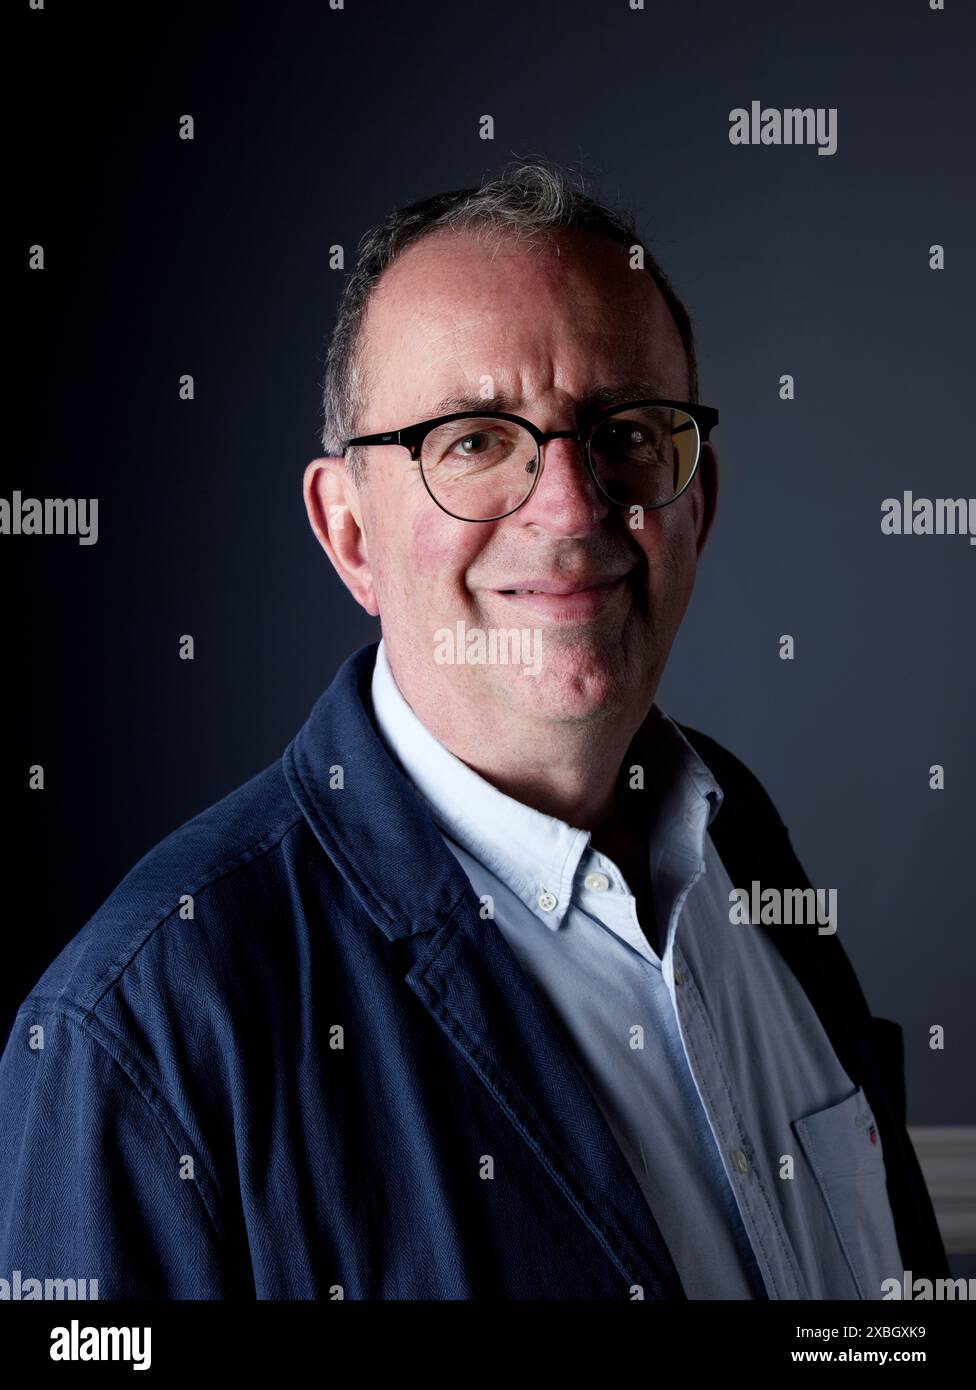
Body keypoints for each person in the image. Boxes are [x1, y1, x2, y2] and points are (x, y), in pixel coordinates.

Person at [0, 162, 948, 1300]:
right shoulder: (145, 1029)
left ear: (698, 501)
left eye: (626, 430)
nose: (568, 505)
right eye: (473, 441)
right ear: (348, 535)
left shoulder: (742, 844)